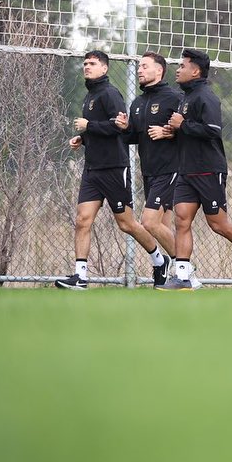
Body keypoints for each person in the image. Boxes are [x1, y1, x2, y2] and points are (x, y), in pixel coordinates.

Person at [164, 48, 232, 290]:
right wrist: (173, 131)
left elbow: (212, 131)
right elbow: (187, 129)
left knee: (218, 224)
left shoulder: (207, 97)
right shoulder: (185, 98)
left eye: (182, 66)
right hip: (186, 170)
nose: (178, 70)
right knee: (181, 220)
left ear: (195, 71)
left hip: (208, 170)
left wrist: (183, 125)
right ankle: (182, 276)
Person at [58, 50, 166, 290]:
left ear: (104, 68)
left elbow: (118, 127)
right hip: (92, 170)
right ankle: (80, 276)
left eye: (92, 63)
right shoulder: (90, 95)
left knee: (126, 224)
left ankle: (160, 260)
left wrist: (89, 126)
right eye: (85, 63)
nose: (87, 67)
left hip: (114, 168)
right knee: (82, 220)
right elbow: (98, 130)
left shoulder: (110, 93)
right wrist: (82, 138)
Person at [115, 51, 182, 287]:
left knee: (149, 222)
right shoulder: (138, 103)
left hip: (171, 168)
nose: (139, 70)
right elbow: (133, 137)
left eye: (145, 66)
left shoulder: (174, 98)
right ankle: (177, 276)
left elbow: (191, 129)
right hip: (149, 171)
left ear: (159, 70)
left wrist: (169, 132)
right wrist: (125, 128)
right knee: (162, 226)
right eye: (139, 66)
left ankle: (185, 270)